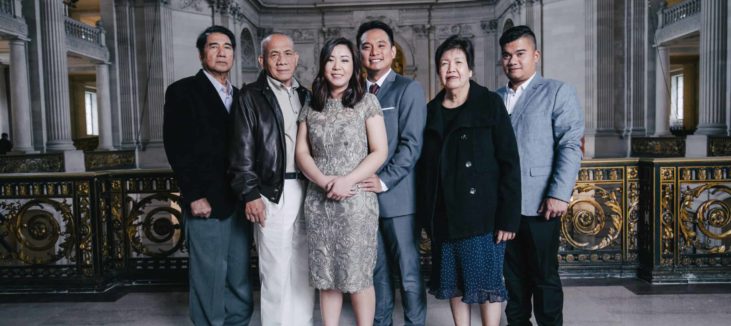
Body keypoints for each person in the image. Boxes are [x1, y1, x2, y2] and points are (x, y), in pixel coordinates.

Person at [416, 35, 521, 326]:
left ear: (470, 69)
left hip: (484, 217)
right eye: (445, 63)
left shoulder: (489, 104)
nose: (452, 68)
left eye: (458, 62)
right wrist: (427, 217)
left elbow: (510, 163)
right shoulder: (431, 111)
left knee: (486, 286)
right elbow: (425, 171)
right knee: (454, 284)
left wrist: (508, 218)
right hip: (445, 216)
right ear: (438, 70)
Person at [162, 25, 253, 326]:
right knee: (209, 276)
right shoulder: (182, 91)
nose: (222, 52)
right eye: (214, 46)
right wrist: (194, 194)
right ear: (202, 54)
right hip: (206, 200)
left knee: (239, 275)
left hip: (240, 201)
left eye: (227, 46)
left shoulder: (242, 96)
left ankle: (238, 322)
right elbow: (177, 148)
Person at [295, 37, 388, 326]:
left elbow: (380, 150)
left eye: (345, 60)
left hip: (357, 200)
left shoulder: (367, 101)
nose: (337, 66)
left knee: (358, 275)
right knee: (327, 276)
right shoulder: (312, 103)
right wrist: (324, 182)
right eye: (331, 59)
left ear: (354, 66)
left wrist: (347, 181)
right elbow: (301, 152)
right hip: (319, 201)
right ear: (323, 64)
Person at [497, 25, 584, 326]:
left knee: (544, 279)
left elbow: (571, 144)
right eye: (507, 55)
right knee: (513, 283)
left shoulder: (557, 92)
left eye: (520, 54)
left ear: (535, 55)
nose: (513, 61)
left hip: (541, 204)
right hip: (502, 209)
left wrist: (559, 193)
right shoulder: (493, 98)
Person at [228, 33, 315, 326]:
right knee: (275, 270)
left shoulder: (308, 95)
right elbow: (241, 150)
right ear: (262, 60)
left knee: (304, 270)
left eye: (287, 53)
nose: (282, 60)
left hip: (308, 188)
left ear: (296, 58)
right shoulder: (250, 96)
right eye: (274, 55)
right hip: (271, 192)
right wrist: (250, 194)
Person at [355, 20, 427, 326]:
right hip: (363, 200)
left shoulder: (408, 89)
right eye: (367, 46)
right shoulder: (355, 92)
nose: (374, 52)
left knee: (409, 273)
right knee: (377, 273)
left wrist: (383, 180)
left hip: (398, 200)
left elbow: (411, 145)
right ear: (359, 52)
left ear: (392, 50)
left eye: (381, 45)